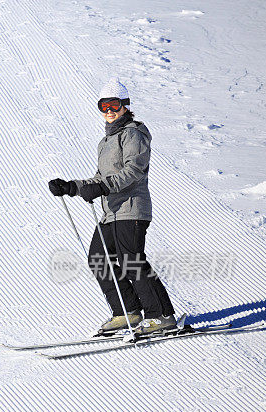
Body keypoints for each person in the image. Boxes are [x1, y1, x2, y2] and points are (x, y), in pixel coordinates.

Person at [48, 78, 176, 335]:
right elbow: (99, 178)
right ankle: (126, 312)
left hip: (131, 209)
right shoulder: (105, 142)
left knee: (131, 261)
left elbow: (134, 171)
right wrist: (71, 187)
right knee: (98, 259)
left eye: (114, 104)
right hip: (111, 213)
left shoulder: (134, 133)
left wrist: (104, 187)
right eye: (103, 106)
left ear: (125, 105)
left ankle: (161, 316)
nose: (109, 111)